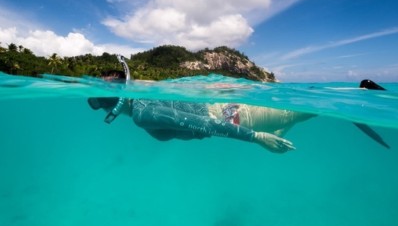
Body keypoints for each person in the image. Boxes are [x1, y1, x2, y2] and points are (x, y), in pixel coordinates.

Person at [88, 56, 313, 153]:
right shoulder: (143, 98)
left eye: (100, 100)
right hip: (226, 111)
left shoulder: (142, 113)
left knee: (297, 112)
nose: (100, 105)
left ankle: (351, 118)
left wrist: (256, 138)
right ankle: (278, 128)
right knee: (294, 114)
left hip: (227, 115)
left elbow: (206, 123)